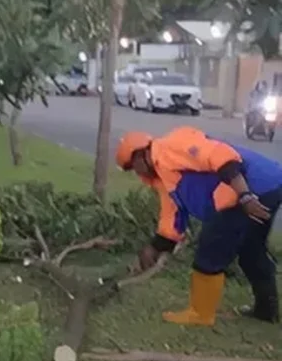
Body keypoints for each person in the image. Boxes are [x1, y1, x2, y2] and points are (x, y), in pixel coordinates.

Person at [115, 127, 282, 327]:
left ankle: (200, 314)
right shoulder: (164, 178)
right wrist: (155, 248)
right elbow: (172, 218)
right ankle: (266, 310)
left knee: (210, 249)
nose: (136, 172)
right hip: (269, 184)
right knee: (251, 251)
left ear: (140, 155)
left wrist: (245, 196)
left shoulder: (171, 147)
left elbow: (221, 156)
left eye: (132, 167)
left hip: (251, 189)